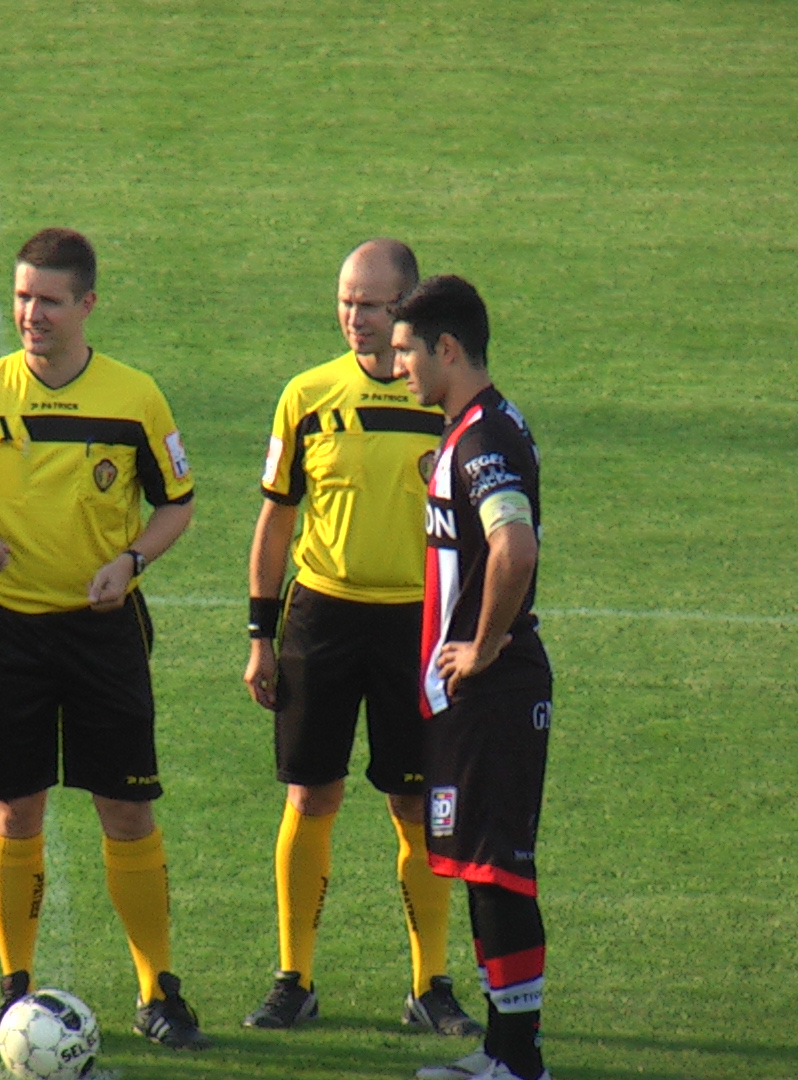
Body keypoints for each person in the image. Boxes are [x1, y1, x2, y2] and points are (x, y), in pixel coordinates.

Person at [0, 227, 210, 1051]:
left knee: (127, 807)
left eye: (48, 300)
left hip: (102, 631)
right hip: (3, 629)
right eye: (22, 297)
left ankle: (157, 989)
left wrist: (131, 561)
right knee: (14, 810)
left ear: (87, 304)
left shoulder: (134, 398)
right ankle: (14, 989)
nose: (30, 314)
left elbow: (178, 501)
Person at [241, 240, 483, 1037]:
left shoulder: (443, 400)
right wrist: (260, 635)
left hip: (418, 625)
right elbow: (276, 520)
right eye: (345, 301)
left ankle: (430, 984)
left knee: (416, 801)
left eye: (371, 305)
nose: (354, 317)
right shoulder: (308, 396)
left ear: (406, 308)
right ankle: (293, 979)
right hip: (322, 616)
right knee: (310, 794)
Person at [391, 276, 554, 1080]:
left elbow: (514, 548)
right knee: (487, 871)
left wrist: (483, 648)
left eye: (405, 352)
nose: (397, 368)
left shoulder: (482, 441)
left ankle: (517, 1062)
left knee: (499, 873)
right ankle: (501, 1050)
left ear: (446, 349)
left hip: (493, 692)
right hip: (479, 697)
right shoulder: (482, 425)